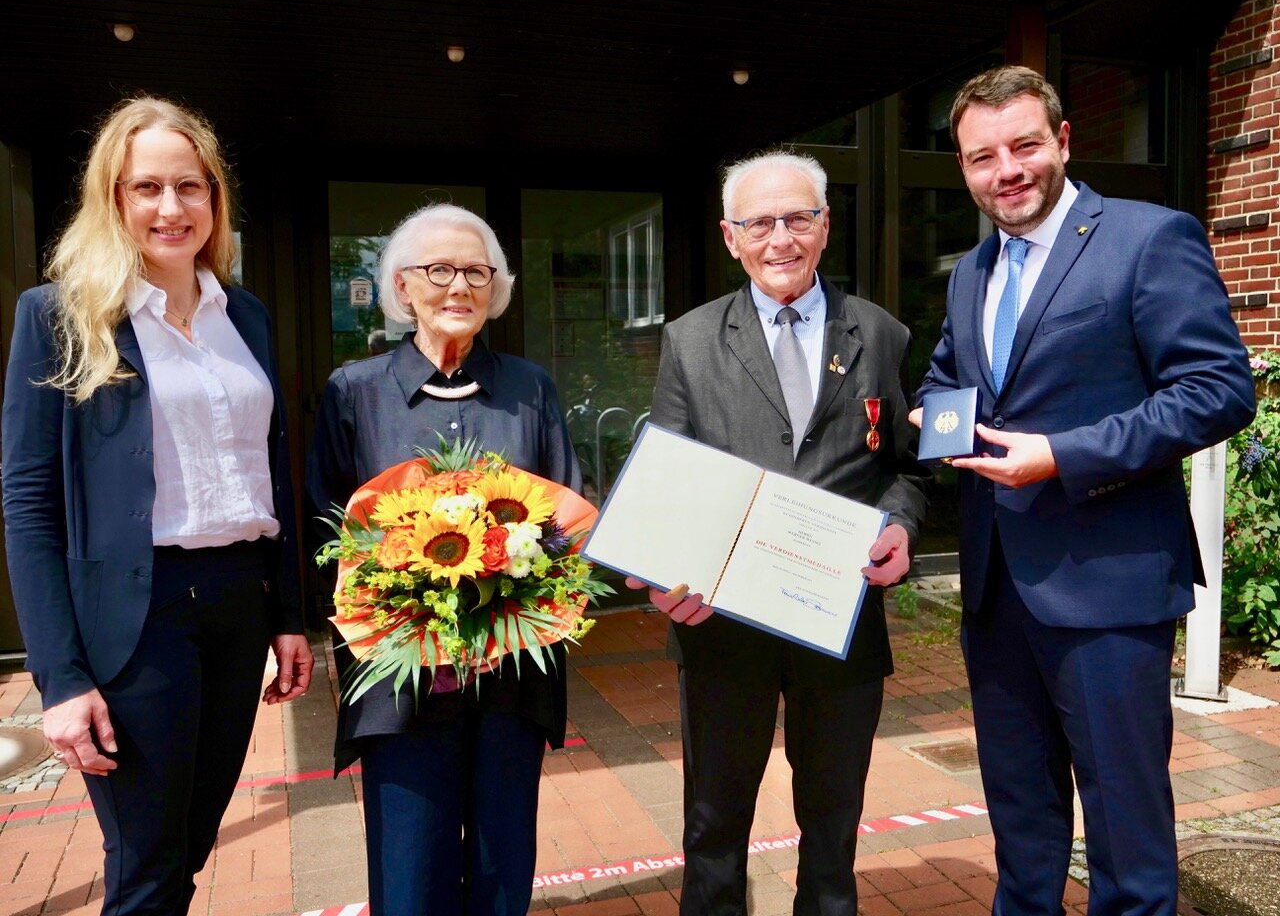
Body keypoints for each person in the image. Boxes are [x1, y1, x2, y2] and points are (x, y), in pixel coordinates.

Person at [914, 65, 1256, 915]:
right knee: (1021, 825)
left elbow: (1216, 390)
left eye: (1024, 145)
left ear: (1063, 141)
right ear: (964, 168)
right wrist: (930, 419)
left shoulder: (1149, 237)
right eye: (983, 156)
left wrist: (1063, 455)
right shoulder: (972, 270)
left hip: (1108, 589)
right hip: (996, 591)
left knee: (1126, 837)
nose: (1007, 171)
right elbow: (950, 379)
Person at [1, 96, 313, 914]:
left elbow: (268, 473)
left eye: (189, 186)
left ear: (214, 197)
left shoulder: (244, 315)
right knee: (145, 862)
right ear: (113, 199)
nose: (171, 207)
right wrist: (60, 678)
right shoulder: (60, 316)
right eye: (146, 187)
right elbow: (29, 503)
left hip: (239, 604)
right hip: (138, 620)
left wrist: (287, 613)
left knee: (189, 846)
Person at [632, 151, 931, 916]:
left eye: (798, 218)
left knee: (833, 825)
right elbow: (665, 483)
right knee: (714, 824)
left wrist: (900, 526)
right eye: (760, 223)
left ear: (825, 226)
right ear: (730, 237)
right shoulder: (691, 339)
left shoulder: (880, 333)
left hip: (841, 621)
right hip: (721, 626)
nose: (781, 239)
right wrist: (663, 574)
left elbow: (906, 467)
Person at [306, 203, 579, 916]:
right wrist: (403, 622)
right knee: (410, 876)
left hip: (513, 677)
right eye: (438, 270)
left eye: (476, 273)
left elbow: (563, 533)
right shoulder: (353, 392)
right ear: (402, 287)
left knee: (500, 869)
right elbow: (328, 536)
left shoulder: (530, 389)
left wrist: (510, 619)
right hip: (399, 682)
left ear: (496, 288)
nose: (459, 286)